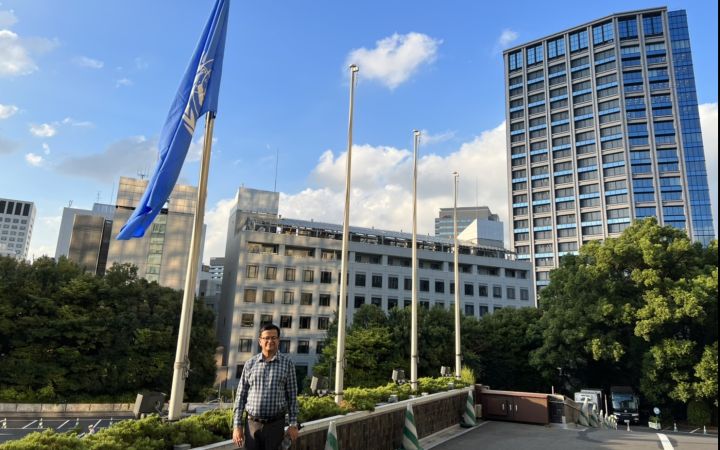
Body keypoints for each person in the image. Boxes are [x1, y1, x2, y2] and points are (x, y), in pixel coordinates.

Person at [233, 323, 299, 449]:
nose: (270, 341)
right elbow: (240, 397)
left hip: (276, 425)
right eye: (266, 338)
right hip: (252, 425)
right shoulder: (250, 364)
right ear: (260, 341)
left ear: (278, 340)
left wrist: (293, 424)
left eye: (274, 338)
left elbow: (292, 397)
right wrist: (237, 426)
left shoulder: (287, 364)